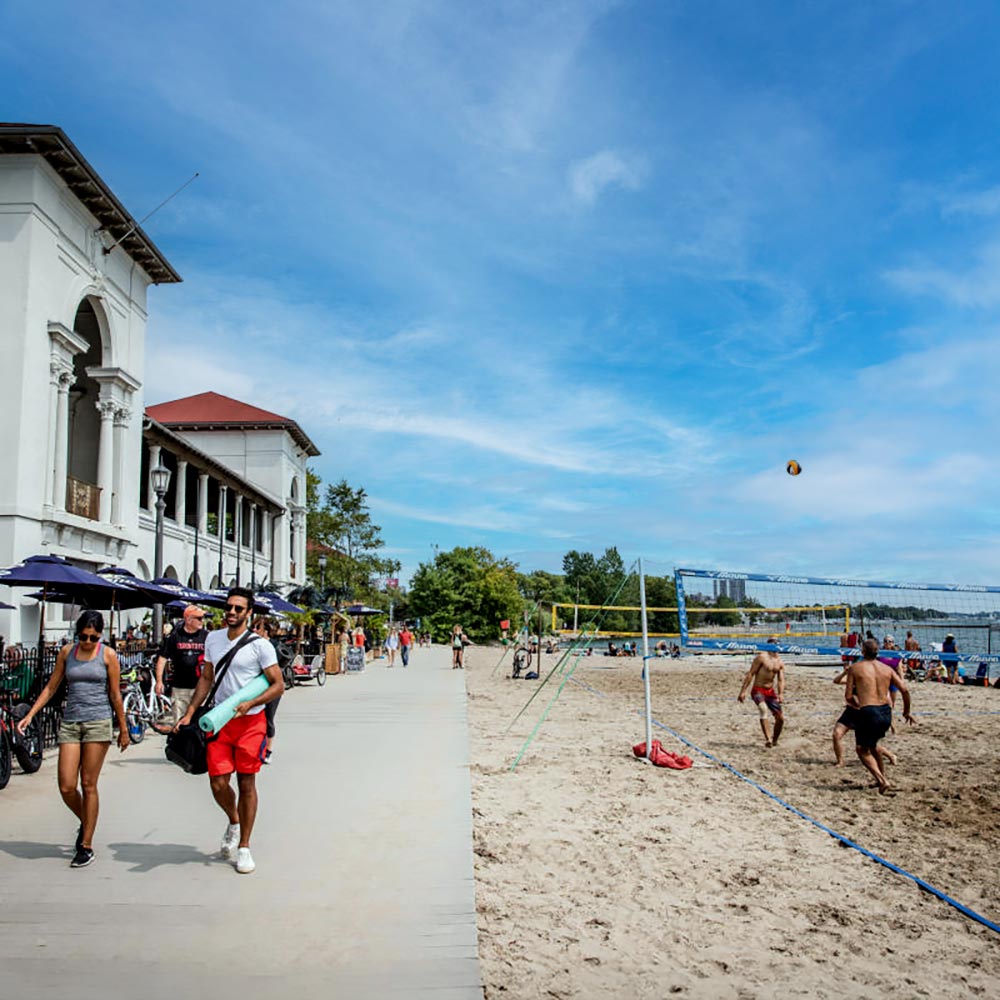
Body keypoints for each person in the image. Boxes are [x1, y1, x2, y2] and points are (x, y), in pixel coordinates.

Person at [177, 588, 283, 875]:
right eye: (229, 607)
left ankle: (245, 846)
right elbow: (207, 678)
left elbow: (278, 685)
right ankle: (234, 821)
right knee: (218, 783)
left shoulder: (260, 646)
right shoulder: (213, 639)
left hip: (250, 723)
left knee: (247, 782)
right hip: (220, 720)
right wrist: (189, 712)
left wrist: (251, 703)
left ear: (249, 612)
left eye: (238, 608)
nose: (232, 612)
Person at [17, 611, 129, 868]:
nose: (88, 642)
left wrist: (123, 729)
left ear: (100, 636)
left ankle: (86, 845)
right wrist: (30, 715)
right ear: (77, 634)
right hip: (70, 722)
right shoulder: (67, 653)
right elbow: (51, 687)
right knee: (67, 785)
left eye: (93, 637)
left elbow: (115, 694)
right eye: (83, 636)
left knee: (88, 783)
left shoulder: (108, 655)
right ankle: (86, 820)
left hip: (98, 722)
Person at [845, 638, 915, 793]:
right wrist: (906, 712)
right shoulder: (887, 669)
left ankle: (883, 781)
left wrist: (859, 707)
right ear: (878, 652)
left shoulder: (855, 668)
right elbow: (905, 690)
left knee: (862, 751)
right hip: (885, 713)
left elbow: (848, 697)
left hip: (868, 711)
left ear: (863, 651)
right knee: (873, 746)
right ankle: (881, 778)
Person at [831, 665, 896, 768]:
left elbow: (887, 702)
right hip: (850, 712)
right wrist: (845, 673)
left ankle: (890, 755)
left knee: (867, 745)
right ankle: (840, 761)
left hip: (865, 714)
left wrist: (891, 721)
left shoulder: (872, 683)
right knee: (836, 734)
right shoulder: (853, 680)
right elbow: (836, 681)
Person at [154, 605, 208, 726]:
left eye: (202, 618)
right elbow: (162, 658)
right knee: (179, 724)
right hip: (180, 687)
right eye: (199, 618)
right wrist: (159, 681)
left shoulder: (206, 636)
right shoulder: (174, 636)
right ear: (188, 619)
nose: (202, 621)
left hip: (200, 687)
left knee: (200, 724)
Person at [737, 638, 785, 748]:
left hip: (770, 692)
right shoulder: (761, 658)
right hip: (758, 690)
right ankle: (768, 739)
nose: (776, 647)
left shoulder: (780, 662)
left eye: (777, 644)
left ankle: (775, 741)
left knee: (780, 718)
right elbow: (751, 674)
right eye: (774, 644)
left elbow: (781, 680)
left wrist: (781, 694)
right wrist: (743, 691)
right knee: (763, 709)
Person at [252, 618, 282, 764]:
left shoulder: (274, 646)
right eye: (253, 627)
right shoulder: (251, 645)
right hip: (254, 687)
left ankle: (268, 750)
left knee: (268, 717)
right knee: (256, 717)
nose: (254, 630)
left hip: (271, 687)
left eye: (258, 627)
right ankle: (257, 747)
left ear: (266, 630)